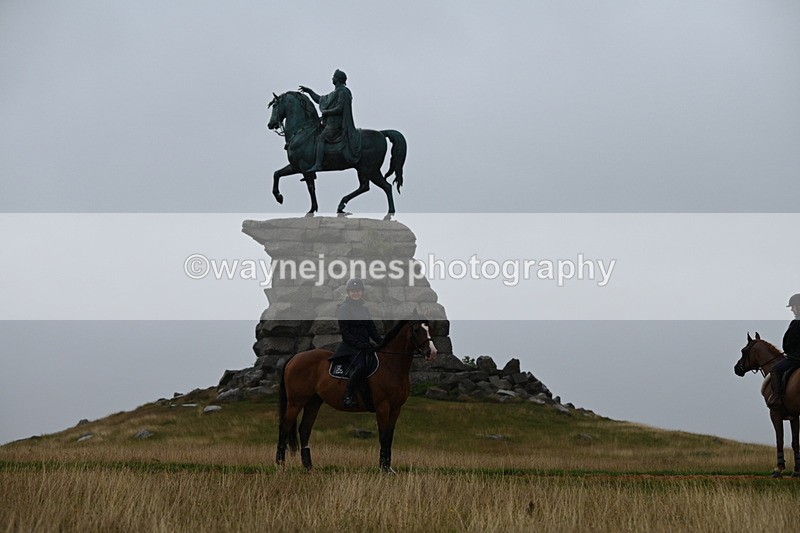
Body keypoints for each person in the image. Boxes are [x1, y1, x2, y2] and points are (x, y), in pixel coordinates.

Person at [330, 278, 383, 408]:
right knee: (361, 366)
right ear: (348, 292)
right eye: (353, 291)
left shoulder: (364, 310)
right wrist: (361, 345)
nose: (356, 293)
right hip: (350, 347)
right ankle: (348, 395)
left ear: (362, 292)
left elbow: (372, 330)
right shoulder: (344, 309)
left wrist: (383, 343)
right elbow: (346, 333)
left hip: (364, 347)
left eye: (358, 291)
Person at [298, 69, 361, 172]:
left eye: (334, 76)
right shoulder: (333, 93)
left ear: (338, 79)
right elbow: (320, 99)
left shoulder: (344, 91)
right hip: (329, 124)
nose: (332, 78)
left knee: (321, 138)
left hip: (337, 125)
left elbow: (340, 108)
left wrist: (327, 112)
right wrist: (309, 91)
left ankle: (318, 164)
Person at [767, 293, 800, 407]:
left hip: (796, 358)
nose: (792, 310)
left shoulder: (796, 323)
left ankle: (777, 397)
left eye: (793, 307)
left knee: (775, 369)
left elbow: (789, 342)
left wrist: (788, 350)